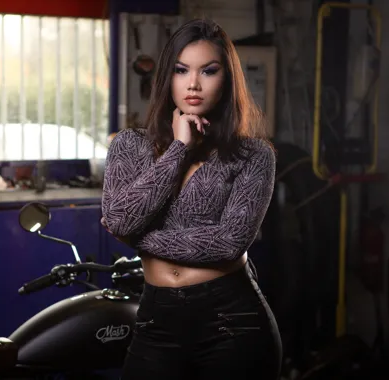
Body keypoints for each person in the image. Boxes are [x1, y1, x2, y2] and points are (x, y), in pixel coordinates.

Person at [101, 18, 282, 379]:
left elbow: (228, 244)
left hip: (232, 323)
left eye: (209, 71)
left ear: (227, 79)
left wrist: (139, 237)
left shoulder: (254, 155)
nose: (193, 84)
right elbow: (121, 217)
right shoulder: (130, 145)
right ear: (168, 76)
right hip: (156, 322)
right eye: (182, 70)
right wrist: (179, 148)